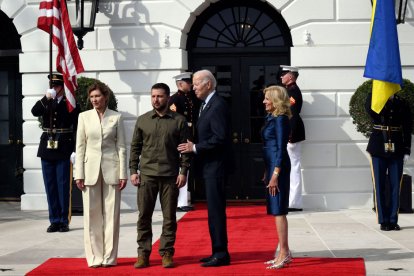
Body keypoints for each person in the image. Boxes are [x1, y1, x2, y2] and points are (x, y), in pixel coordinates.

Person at [130, 83, 191, 269]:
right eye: (153, 96)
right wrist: (133, 171)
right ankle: (143, 254)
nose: (156, 100)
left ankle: (166, 253)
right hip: (147, 175)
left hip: (170, 176)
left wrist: (183, 172)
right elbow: (135, 148)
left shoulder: (179, 121)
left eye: (160, 96)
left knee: (169, 217)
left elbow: (185, 150)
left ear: (167, 97)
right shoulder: (142, 120)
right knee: (144, 216)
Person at [178, 69, 231, 267]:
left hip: (216, 167)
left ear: (208, 84)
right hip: (209, 167)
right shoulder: (205, 105)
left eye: (196, 84)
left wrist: (195, 147)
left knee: (216, 211)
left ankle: (221, 253)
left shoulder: (217, 105)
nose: (193, 87)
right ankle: (216, 250)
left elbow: (219, 137)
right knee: (212, 212)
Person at [74, 82, 127, 268]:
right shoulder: (83, 117)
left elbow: (121, 147)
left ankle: (110, 258)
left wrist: (123, 174)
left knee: (112, 216)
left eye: (98, 96)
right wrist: (78, 174)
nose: (95, 100)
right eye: (92, 97)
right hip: (89, 171)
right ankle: (95, 258)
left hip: (112, 170)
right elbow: (80, 148)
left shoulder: (116, 117)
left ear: (105, 97)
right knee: (91, 216)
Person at [31, 73, 80, 233]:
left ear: (63, 87)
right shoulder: (46, 102)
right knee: (50, 186)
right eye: (52, 86)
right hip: (47, 146)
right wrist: (46, 98)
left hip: (64, 146)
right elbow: (34, 111)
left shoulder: (70, 103)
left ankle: (63, 220)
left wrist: (75, 149)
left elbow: (78, 128)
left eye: (57, 86)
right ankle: (54, 220)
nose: (54, 88)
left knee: (63, 185)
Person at [365, 93, 412, 231]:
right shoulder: (375, 98)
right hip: (378, 146)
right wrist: (377, 94)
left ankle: (393, 219)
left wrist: (407, 149)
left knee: (395, 185)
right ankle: (383, 220)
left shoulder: (402, 102)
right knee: (379, 185)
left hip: (396, 146)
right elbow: (370, 111)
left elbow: (407, 126)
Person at [261, 85, 292, 269]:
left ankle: (284, 252)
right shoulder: (272, 117)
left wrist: (275, 174)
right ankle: (283, 251)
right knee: (275, 210)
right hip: (272, 166)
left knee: (279, 210)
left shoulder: (281, 119)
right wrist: (267, 170)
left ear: (275, 100)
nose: (264, 101)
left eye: (267, 98)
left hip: (278, 168)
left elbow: (281, 149)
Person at [169, 72, 201, 212]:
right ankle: (179, 202)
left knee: (187, 169)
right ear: (180, 84)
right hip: (180, 139)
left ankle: (185, 199)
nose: (191, 85)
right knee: (181, 169)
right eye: (188, 82)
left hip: (190, 137)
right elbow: (174, 121)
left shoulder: (190, 98)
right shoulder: (174, 99)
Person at [280, 65, 305, 212]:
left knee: (294, 167)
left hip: (293, 134)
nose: (281, 77)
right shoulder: (290, 90)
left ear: (290, 76)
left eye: (283, 74)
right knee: (290, 167)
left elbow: (293, 115)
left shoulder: (293, 91)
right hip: (291, 132)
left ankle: (294, 202)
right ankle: (291, 200)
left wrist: (290, 134)